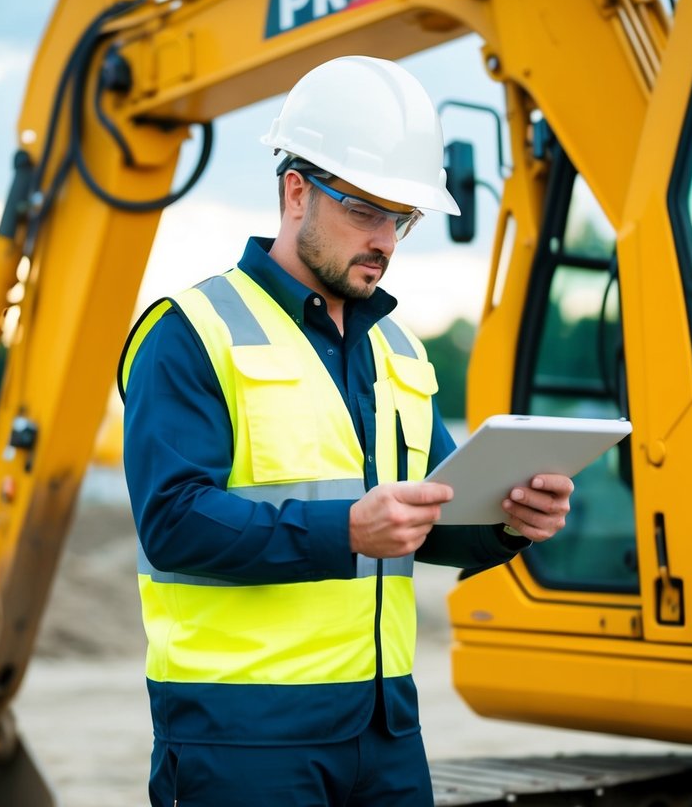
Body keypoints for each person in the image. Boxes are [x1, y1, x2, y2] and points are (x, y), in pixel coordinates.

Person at [117, 55, 573, 806]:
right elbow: (171, 523)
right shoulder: (191, 331)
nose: (385, 240)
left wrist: (507, 521)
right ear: (295, 191)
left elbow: (429, 523)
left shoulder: (396, 349)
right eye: (364, 210)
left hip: (384, 731)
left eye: (401, 218)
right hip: (244, 739)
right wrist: (346, 530)